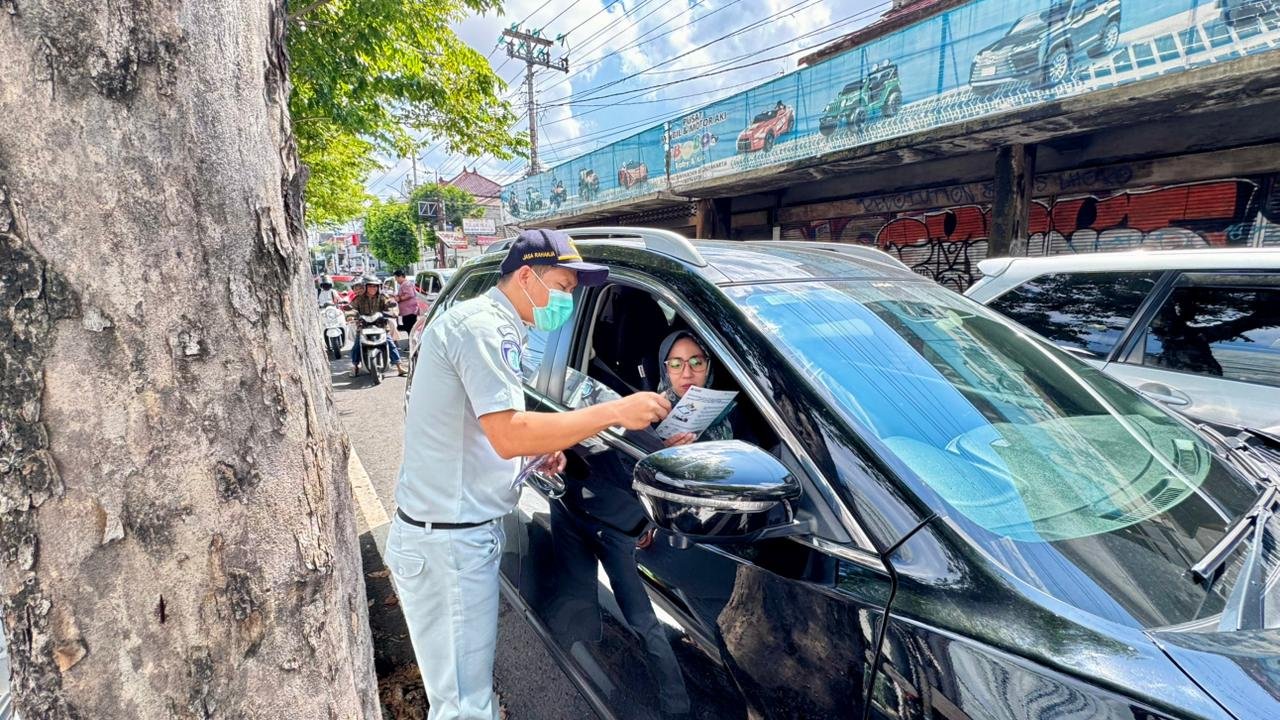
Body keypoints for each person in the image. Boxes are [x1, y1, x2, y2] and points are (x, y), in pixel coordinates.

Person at [389, 228, 672, 720]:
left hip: (456, 535)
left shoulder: (497, 328)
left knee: (466, 694)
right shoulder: (481, 328)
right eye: (562, 288)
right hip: (449, 546)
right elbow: (508, 431)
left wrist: (532, 454)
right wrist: (614, 412)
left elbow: (485, 435)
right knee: (463, 707)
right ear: (525, 276)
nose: (566, 300)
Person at [655, 330, 734, 446]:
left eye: (696, 362)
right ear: (665, 370)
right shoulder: (649, 418)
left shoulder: (732, 413)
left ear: (709, 367)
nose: (687, 374)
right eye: (676, 364)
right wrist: (660, 452)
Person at [348, 274, 406, 377]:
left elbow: (390, 304)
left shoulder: (382, 297)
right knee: (357, 345)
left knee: (390, 343)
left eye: (375, 286)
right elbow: (352, 308)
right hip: (363, 327)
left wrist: (393, 311)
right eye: (370, 286)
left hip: (381, 326)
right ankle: (355, 366)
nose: (373, 288)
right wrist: (350, 316)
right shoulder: (359, 298)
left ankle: (399, 367)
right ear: (365, 286)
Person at [394, 269, 419, 335]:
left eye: (396, 278)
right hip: (407, 312)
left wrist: (399, 298)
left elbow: (410, 294)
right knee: (408, 328)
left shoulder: (406, 284)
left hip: (410, 311)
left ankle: (413, 343)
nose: (396, 280)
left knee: (410, 329)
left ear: (401, 276)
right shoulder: (404, 284)